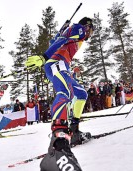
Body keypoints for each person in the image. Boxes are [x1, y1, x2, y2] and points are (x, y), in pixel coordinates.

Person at [25, 17, 94, 171]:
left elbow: (55, 41)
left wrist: (61, 31)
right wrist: (44, 57)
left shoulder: (74, 32)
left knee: (81, 94)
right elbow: (61, 40)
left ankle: (74, 131)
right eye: (92, 30)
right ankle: (59, 142)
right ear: (87, 26)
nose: (91, 34)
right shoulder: (79, 28)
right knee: (65, 93)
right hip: (57, 63)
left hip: (63, 65)